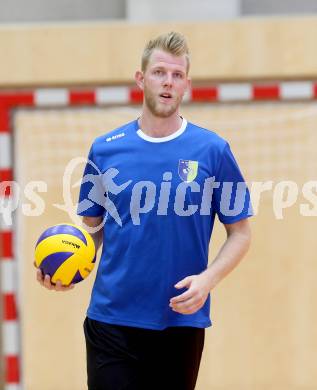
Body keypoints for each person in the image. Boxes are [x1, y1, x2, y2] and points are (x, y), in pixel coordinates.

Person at [36, 32, 252, 390]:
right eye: (159, 72)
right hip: (112, 320)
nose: (168, 82)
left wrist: (208, 280)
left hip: (180, 322)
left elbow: (241, 233)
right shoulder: (105, 149)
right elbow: (92, 228)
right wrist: (66, 266)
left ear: (186, 85)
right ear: (141, 79)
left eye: (177, 75)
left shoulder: (212, 151)